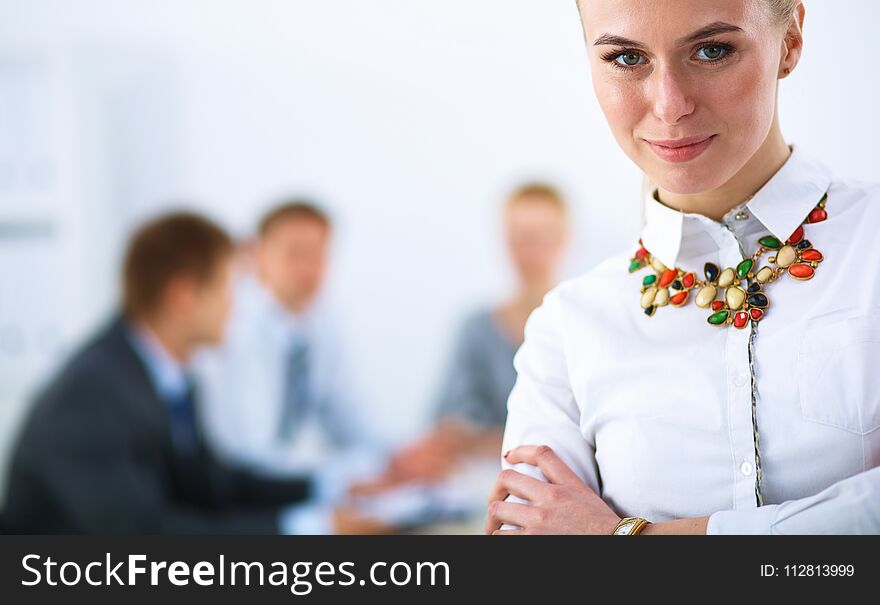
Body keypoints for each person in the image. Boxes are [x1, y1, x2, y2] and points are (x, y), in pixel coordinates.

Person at [486, 0, 880, 535]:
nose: (670, 105)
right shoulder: (568, 327)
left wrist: (626, 541)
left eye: (712, 50)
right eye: (626, 59)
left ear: (789, 40)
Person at [2, 212, 380, 534]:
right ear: (183, 295)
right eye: (227, 288)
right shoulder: (90, 395)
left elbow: (216, 485)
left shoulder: (168, 376)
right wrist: (306, 528)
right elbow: (145, 537)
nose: (235, 305)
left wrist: (329, 488)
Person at [357, 183, 570, 490]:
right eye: (518, 239)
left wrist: (482, 440)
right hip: (479, 485)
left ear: (564, 240)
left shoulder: (582, 328)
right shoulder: (476, 327)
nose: (529, 252)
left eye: (541, 238)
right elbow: (446, 426)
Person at [196, 201, 377, 520]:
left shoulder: (322, 320)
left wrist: (393, 460)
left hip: (303, 488)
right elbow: (252, 455)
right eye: (295, 253)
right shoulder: (230, 330)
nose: (309, 269)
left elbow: (348, 418)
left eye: (318, 254)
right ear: (256, 256)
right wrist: (337, 480)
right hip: (248, 504)